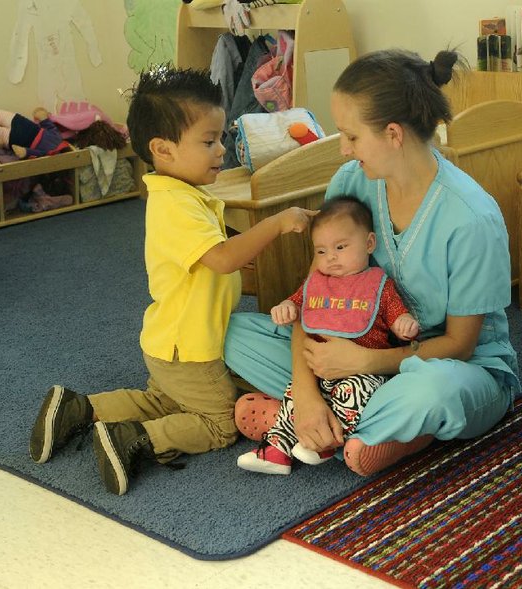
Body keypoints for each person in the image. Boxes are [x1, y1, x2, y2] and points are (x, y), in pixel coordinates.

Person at [224, 48, 520, 477]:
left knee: (432, 394)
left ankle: (296, 426)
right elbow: (315, 296)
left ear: (394, 134)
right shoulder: (350, 185)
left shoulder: (472, 218)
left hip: (451, 367)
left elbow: (460, 345)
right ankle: (340, 422)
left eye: (351, 136)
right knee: (231, 333)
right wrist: (307, 390)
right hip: (348, 356)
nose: (343, 150)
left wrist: (364, 364)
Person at [28, 65, 315, 495]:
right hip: (191, 347)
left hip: (171, 341)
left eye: (220, 138)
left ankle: (80, 409)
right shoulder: (176, 207)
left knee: (163, 401)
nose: (221, 150)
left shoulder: (182, 195)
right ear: (162, 149)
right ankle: (137, 440)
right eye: (208, 141)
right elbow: (219, 259)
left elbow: (216, 261)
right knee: (218, 424)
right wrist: (276, 224)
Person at [236, 196, 419, 474]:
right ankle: (277, 450)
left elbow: (395, 314)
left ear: (369, 244)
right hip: (319, 370)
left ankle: (324, 442)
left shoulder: (377, 284)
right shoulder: (318, 283)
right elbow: (298, 302)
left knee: (354, 393)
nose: (330, 257)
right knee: (295, 393)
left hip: (366, 373)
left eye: (340, 247)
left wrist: (404, 324)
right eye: (321, 251)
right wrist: (286, 308)